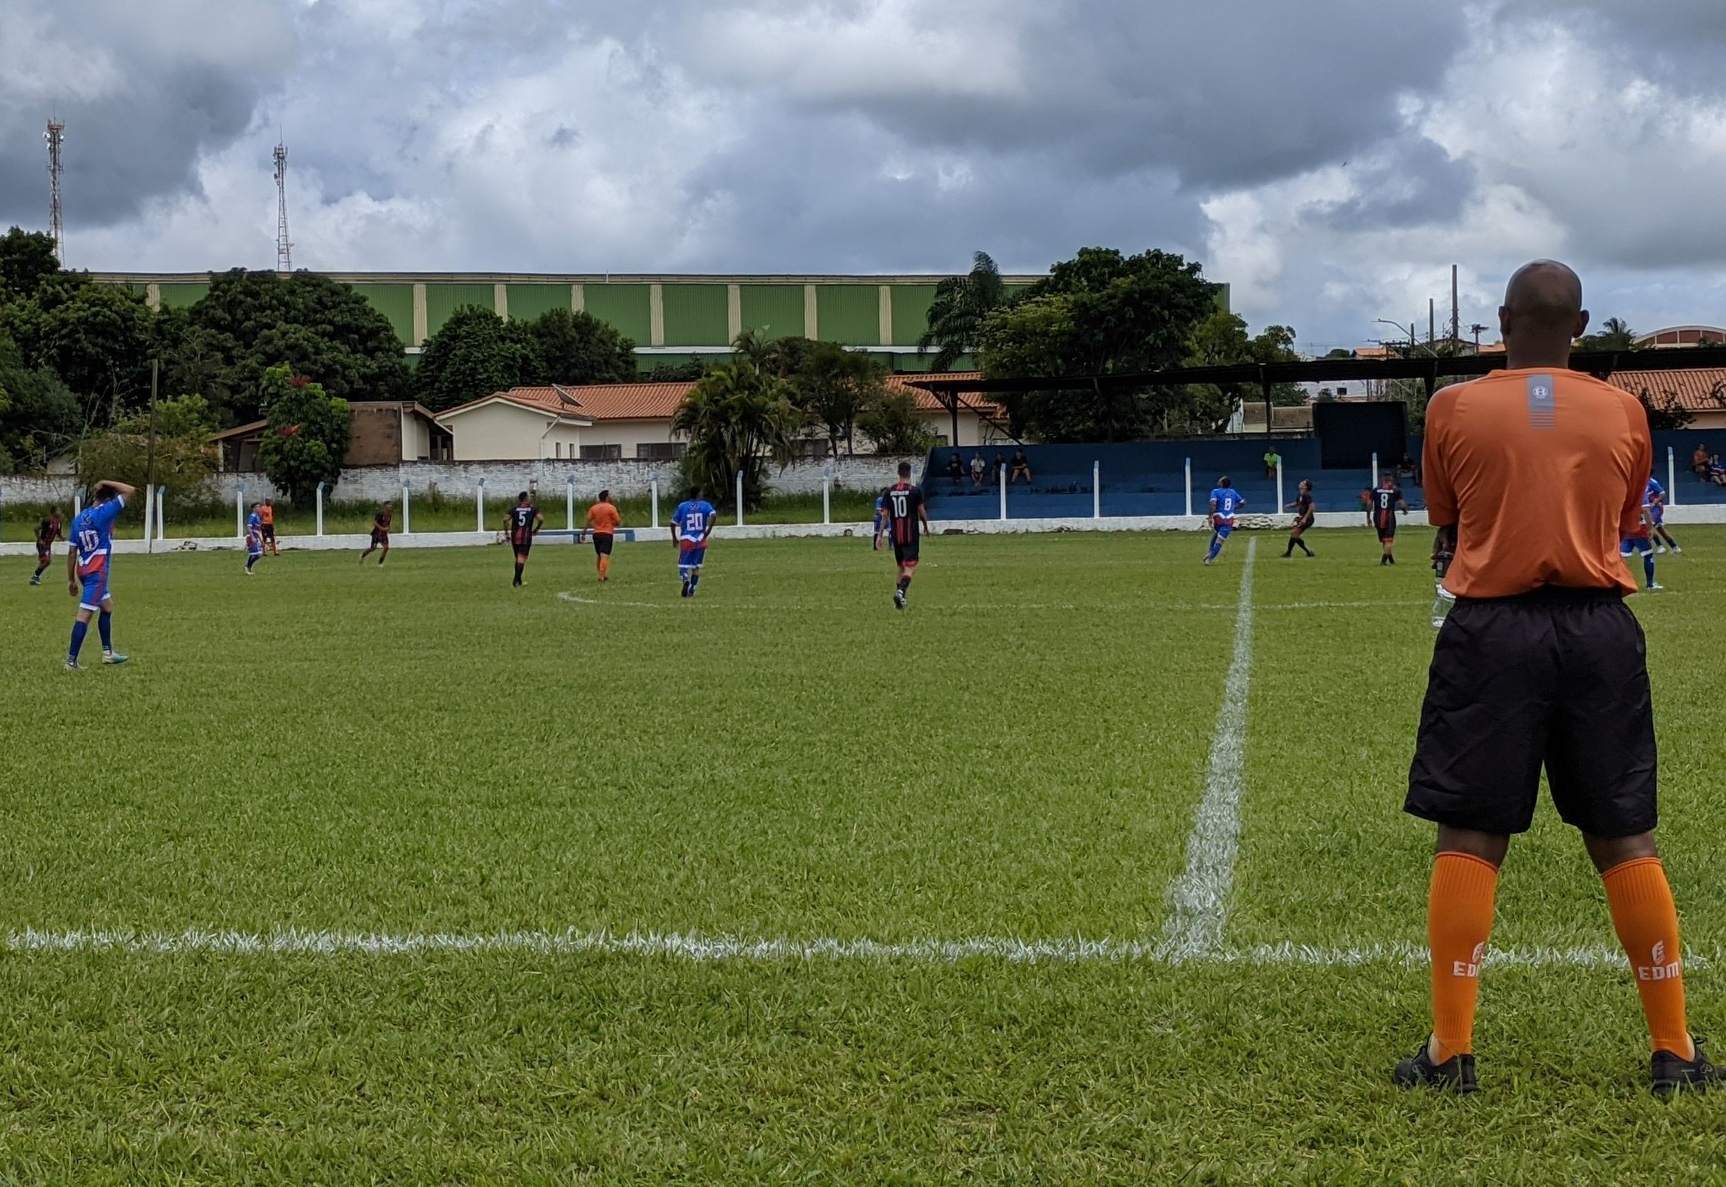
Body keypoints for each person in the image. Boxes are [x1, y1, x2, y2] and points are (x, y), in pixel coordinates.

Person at [1398, 259, 1716, 1097]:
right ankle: (1676, 1051)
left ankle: (1450, 1054)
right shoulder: (1623, 411)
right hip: (1598, 630)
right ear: (1581, 328)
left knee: (1469, 832)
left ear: (1501, 322)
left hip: (1490, 630)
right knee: (1624, 834)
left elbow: (1451, 516)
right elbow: (1619, 524)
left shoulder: (1451, 407)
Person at [65, 480, 136, 669]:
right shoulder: (104, 513)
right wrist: (105, 482)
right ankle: (71, 661)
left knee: (107, 606)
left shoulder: (79, 519)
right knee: (84, 615)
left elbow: (72, 552)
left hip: (84, 570)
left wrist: (71, 579)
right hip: (97, 572)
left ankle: (108, 653)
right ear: (109, 499)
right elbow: (130, 490)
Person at [882, 460, 930, 610]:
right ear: (910, 473)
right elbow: (921, 511)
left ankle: (901, 601)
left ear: (898, 472)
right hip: (910, 534)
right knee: (911, 566)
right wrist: (926, 526)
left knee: (900, 567)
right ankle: (901, 591)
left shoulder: (889, 492)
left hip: (896, 535)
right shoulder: (914, 491)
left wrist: (879, 536)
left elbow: (884, 515)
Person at [672, 488, 716, 598]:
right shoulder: (705, 505)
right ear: (698, 494)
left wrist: (674, 537)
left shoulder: (683, 506)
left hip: (687, 539)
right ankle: (691, 590)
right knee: (696, 567)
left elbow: (673, 523)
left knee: (683, 566)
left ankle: (686, 579)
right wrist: (708, 531)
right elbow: (713, 515)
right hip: (700, 540)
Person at [1364, 476, 1408, 565]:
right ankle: (1383, 562)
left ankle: (1391, 560)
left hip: (1377, 517)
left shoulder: (1376, 490)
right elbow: (1401, 504)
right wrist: (1404, 510)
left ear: (1383, 480)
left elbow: (1369, 504)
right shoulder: (1395, 490)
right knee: (1388, 540)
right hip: (1389, 518)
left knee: (1384, 540)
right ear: (1391, 480)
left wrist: (1368, 517)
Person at [1620, 505, 1663, 592]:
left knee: (1620, 557)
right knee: (1648, 555)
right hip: (1639, 528)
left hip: (1625, 527)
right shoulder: (1641, 493)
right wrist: (1650, 528)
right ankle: (1650, 584)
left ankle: (1618, 583)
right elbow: (1645, 510)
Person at [504, 491, 542, 587]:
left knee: (518, 558)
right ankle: (515, 580)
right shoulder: (532, 509)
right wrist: (536, 529)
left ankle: (519, 581)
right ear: (526, 498)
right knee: (521, 559)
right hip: (526, 537)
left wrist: (506, 532)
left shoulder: (514, 509)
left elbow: (505, 519)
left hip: (515, 535)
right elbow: (541, 519)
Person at [1204, 477, 1244, 565]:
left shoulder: (1215, 492)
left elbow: (1213, 503)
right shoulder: (1233, 492)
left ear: (1221, 483)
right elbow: (1242, 502)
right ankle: (1209, 559)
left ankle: (1210, 552)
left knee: (1217, 534)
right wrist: (1233, 507)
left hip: (1218, 517)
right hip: (1228, 518)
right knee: (1220, 540)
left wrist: (1210, 516)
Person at [585, 489, 620, 582]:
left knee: (599, 555)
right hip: (607, 534)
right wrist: (612, 523)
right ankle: (601, 577)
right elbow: (618, 521)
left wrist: (583, 533)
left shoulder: (593, 508)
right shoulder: (611, 508)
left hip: (596, 534)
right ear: (607, 497)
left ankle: (602, 575)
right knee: (605, 555)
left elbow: (587, 521)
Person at [1645, 477, 1680, 554]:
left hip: (1656, 508)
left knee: (1649, 525)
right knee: (1660, 528)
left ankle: (1660, 546)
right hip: (1647, 509)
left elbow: (1662, 493)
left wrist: (1654, 502)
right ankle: (1674, 546)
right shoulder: (1639, 483)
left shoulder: (1651, 482)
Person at [1282, 479, 1315, 558]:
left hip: (1308, 519)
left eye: (1303, 483)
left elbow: (1312, 507)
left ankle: (1307, 551)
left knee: (1294, 534)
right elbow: (1297, 503)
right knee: (1294, 535)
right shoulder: (1300, 494)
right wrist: (1289, 505)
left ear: (1306, 487)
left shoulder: (1307, 495)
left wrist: (1305, 518)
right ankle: (1290, 553)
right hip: (1304, 517)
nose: (1301, 483)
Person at [30, 506, 61, 586]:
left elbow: (58, 532)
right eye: (58, 510)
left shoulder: (58, 522)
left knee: (44, 562)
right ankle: (35, 576)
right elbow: (36, 528)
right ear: (54, 512)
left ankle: (35, 578)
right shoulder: (47, 520)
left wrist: (62, 537)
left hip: (48, 545)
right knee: (47, 561)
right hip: (42, 543)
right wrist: (39, 539)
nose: (60, 512)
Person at [245, 503, 264, 575]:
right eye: (257, 507)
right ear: (253, 509)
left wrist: (260, 539)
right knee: (258, 554)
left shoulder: (257, 517)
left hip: (255, 537)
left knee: (254, 554)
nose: (259, 508)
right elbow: (249, 527)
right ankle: (247, 566)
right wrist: (252, 537)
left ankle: (248, 568)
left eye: (259, 507)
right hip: (251, 537)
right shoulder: (252, 516)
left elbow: (257, 530)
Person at [871, 487, 890, 551]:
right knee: (877, 532)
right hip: (879, 518)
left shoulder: (890, 500)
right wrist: (883, 515)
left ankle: (891, 546)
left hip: (887, 518)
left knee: (891, 531)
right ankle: (875, 547)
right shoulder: (879, 500)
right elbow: (878, 510)